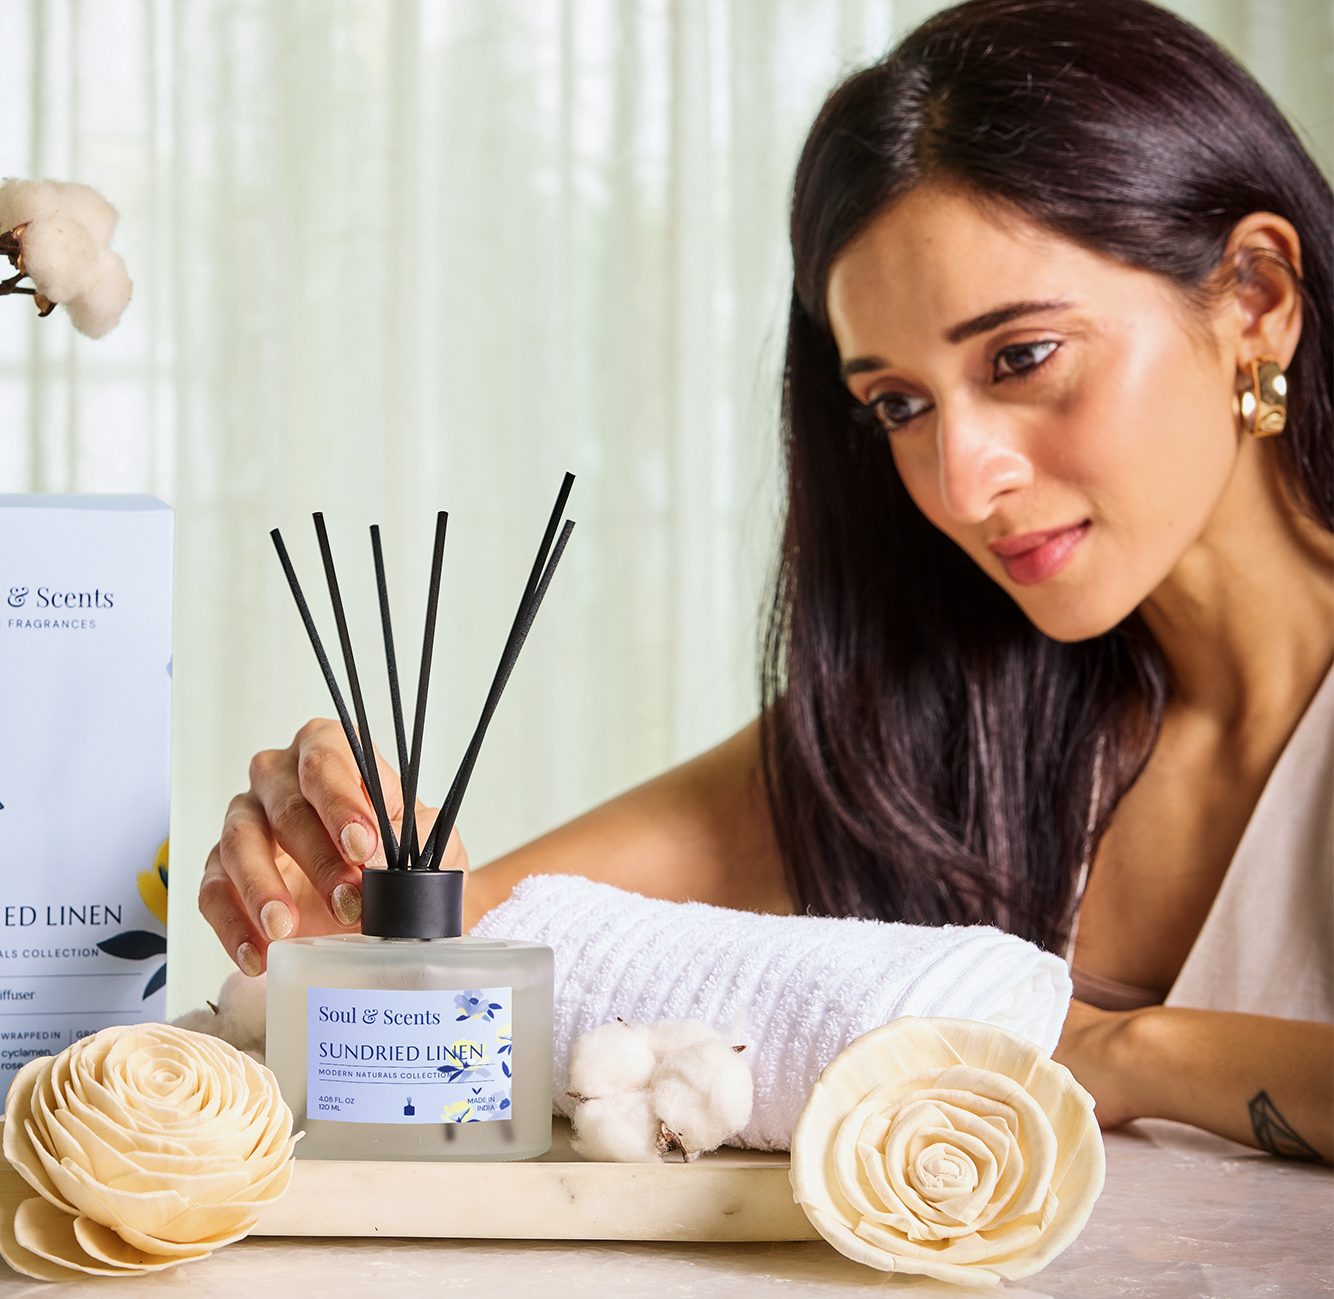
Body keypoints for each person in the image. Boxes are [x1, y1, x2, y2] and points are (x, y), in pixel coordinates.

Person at [200, 0, 1333, 1161]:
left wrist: (1126, 1054)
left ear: (1256, 299)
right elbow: (469, 940)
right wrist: (346, 864)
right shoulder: (910, 739)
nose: (959, 480)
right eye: (899, 404)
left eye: (1022, 358)